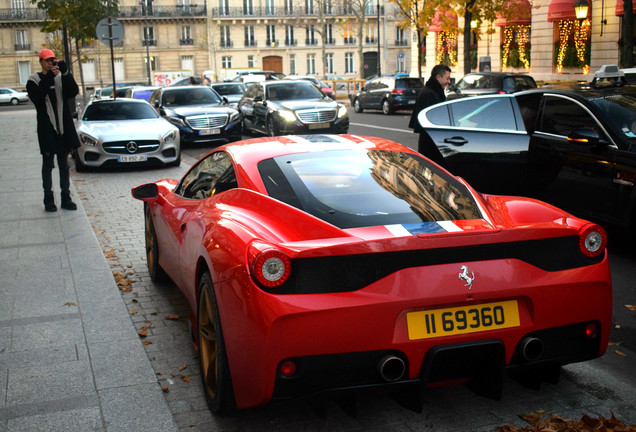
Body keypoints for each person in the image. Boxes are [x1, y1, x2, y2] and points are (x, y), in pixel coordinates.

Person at [27, 48, 81, 212]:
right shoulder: (34, 80)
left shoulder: (59, 79)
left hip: (63, 128)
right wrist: (49, 77)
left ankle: (66, 197)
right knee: (48, 164)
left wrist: (65, 73)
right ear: (41, 62)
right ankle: (48, 199)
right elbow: (37, 98)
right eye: (47, 60)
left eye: (53, 60)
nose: (51, 62)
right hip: (46, 129)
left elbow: (73, 92)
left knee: (64, 164)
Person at [408, 64, 452, 166]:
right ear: (438, 77)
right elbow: (436, 119)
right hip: (432, 142)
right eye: (447, 78)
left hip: (429, 141)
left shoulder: (429, 91)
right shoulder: (430, 94)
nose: (449, 81)